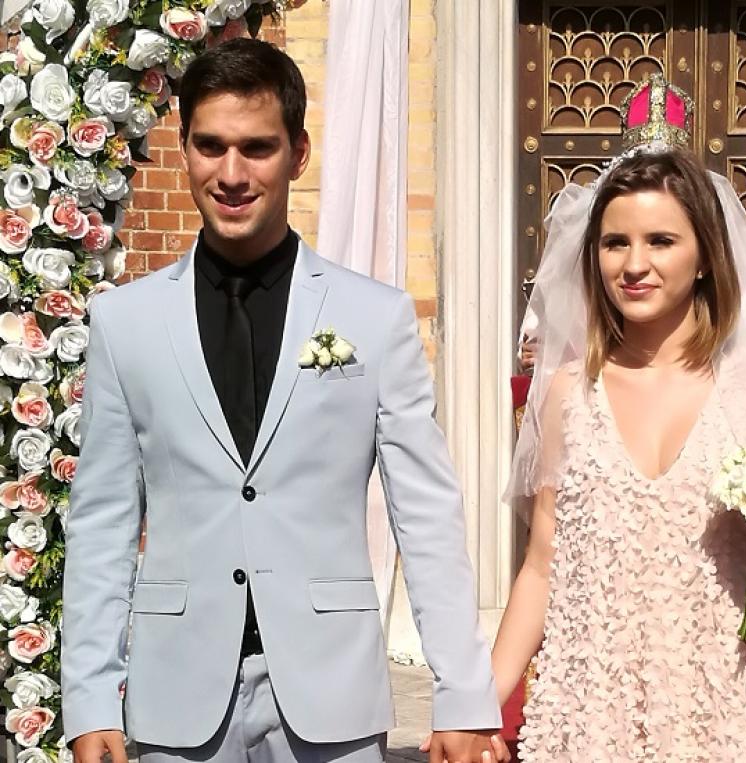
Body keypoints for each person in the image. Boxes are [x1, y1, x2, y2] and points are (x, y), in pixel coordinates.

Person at [61, 39, 507, 763]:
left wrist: (463, 694)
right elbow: (103, 522)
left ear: (298, 153)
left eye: (257, 148)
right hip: (177, 696)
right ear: (185, 149)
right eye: (211, 146)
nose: (232, 173)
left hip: (331, 695)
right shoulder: (125, 322)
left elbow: (426, 515)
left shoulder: (375, 317)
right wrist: (88, 699)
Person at [494, 75, 746, 761]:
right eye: (615, 243)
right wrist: (480, 702)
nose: (634, 265)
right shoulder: (568, 392)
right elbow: (541, 565)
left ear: (703, 257)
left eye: (660, 240)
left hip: (726, 704)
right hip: (593, 711)